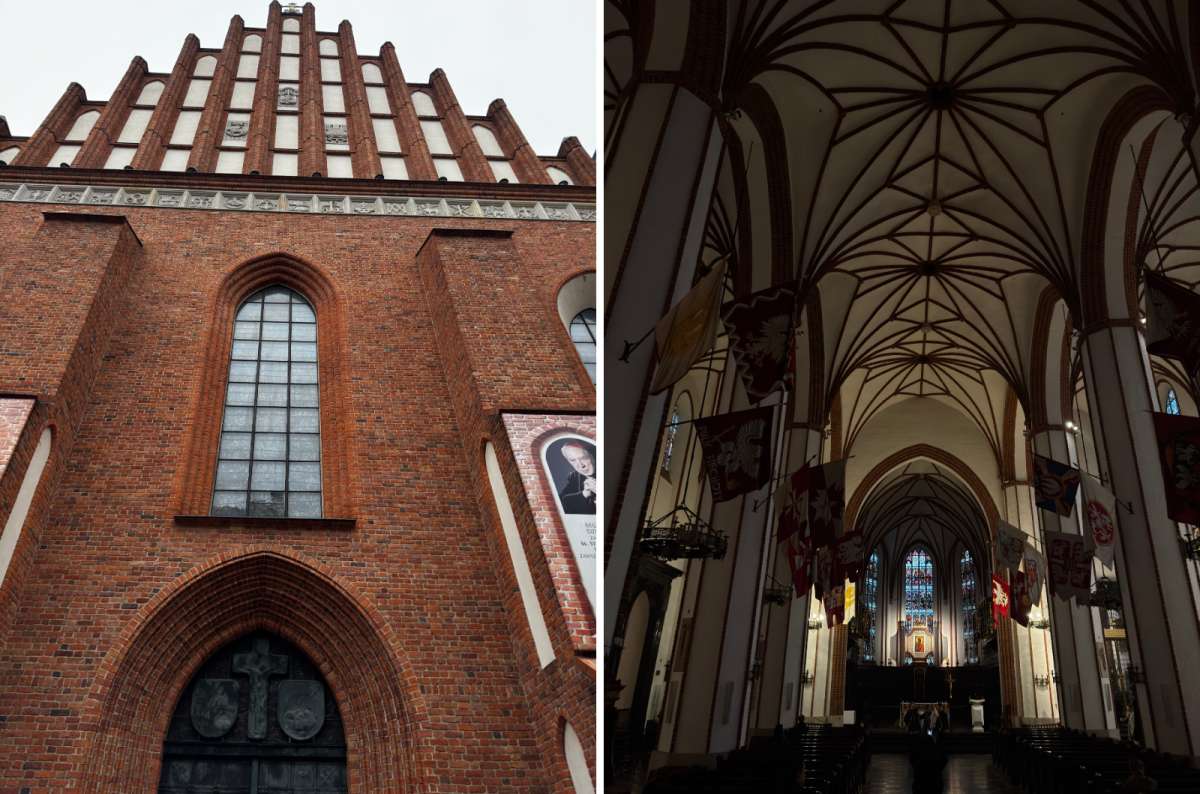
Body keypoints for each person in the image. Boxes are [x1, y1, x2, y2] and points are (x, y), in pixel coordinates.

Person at [559, 442, 597, 514]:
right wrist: (584, 493)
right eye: (573, 460)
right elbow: (560, 504)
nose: (580, 465)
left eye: (583, 458)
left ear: (592, 455)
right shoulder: (574, 477)